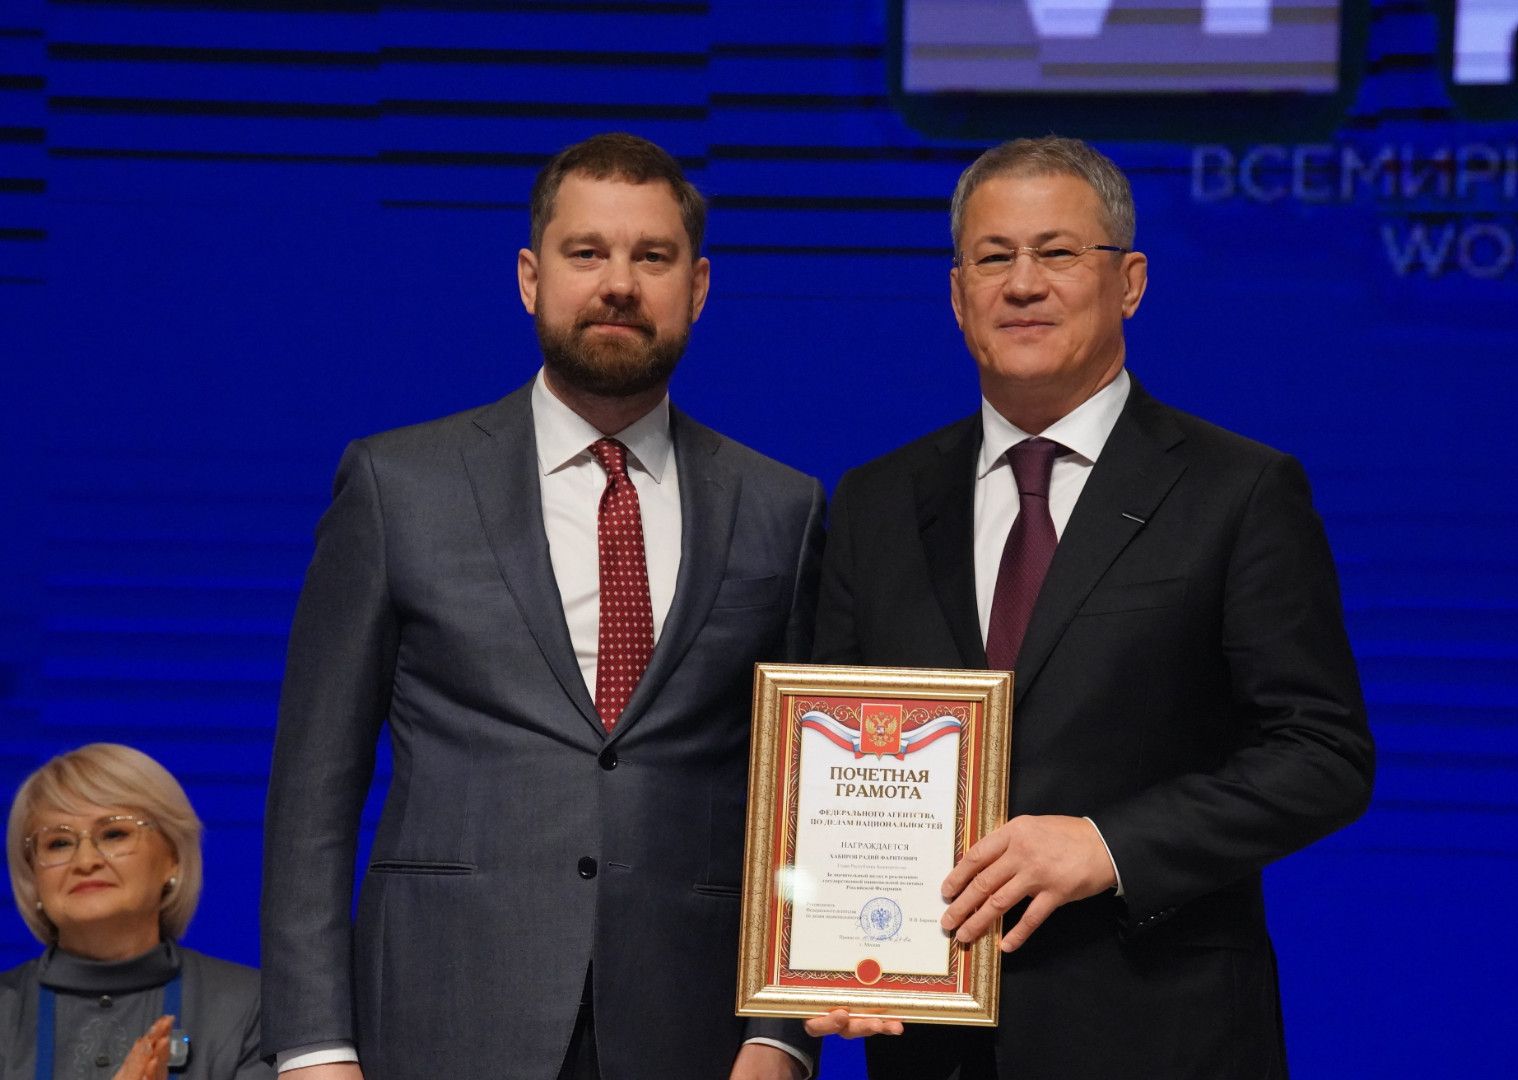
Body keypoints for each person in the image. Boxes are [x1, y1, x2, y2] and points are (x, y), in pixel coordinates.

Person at [808, 136, 1375, 1077]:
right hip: (934, 1045)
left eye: (1059, 252)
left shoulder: (1237, 492)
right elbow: (826, 751)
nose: (1023, 284)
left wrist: (1108, 846)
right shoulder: (877, 503)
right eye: (993, 257)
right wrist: (830, 945)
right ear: (957, 295)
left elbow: (1322, 755)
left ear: (1130, 282)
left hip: (1163, 1034)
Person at [260, 133, 823, 1080]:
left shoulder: (783, 508)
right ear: (531, 278)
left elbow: (800, 800)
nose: (619, 284)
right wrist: (313, 1045)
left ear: (698, 287)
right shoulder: (398, 486)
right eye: (586, 252)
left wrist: (783, 1032)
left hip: (693, 1029)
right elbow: (314, 789)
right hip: (442, 1013)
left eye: (652, 257)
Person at [1, 743, 272, 1080]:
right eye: (59, 843)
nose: (85, 861)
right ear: (32, 875)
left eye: (114, 834)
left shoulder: (250, 1008)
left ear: (173, 858)